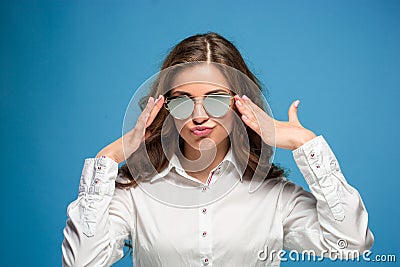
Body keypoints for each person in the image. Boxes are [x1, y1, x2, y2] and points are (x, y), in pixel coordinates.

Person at [62, 32, 374, 267]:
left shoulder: (273, 194)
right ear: (165, 107)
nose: (199, 115)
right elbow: (81, 262)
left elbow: (350, 243)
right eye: (183, 100)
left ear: (240, 103)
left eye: (216, 99)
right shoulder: (135, 193)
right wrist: (108, 159)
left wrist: (304, 143)